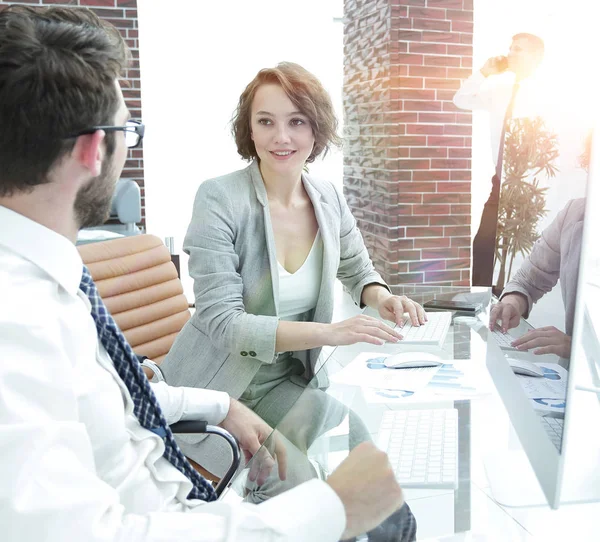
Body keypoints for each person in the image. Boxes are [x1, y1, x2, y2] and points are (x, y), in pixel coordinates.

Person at [0, 6, 407, 541]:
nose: (281, 135)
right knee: (378, 515)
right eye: (132, 129)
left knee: (370, 456)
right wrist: (330, 511)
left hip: (209, 446)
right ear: (96, 146)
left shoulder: (51, 278)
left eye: (296, 120)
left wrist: (218, 406)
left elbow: (115, 394)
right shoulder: (19, 317)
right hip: (186, 490)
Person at [161, 62, 427, 477]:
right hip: (219, 390)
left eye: (296, 122)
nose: (281, 137)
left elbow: (358, 269)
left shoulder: (327, 197)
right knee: (298, 483)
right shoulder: (219, 199)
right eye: (266, 121)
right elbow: (225, 324)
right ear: (249, 131)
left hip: (287, 382)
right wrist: (332, 333)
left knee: (362, 453)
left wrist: (382, 296)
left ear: (315, 130)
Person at [453, 33, 545, 286]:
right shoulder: (500, 90)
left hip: (529, 185)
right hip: (501, 181)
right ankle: (482, 303)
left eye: (519, 50)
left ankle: (510, 302)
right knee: (483, 246)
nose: (511, 53)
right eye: (511, 48)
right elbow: (460, 99)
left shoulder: (546, 94)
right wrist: (484, 72)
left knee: (520, 252)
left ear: (536, 57)